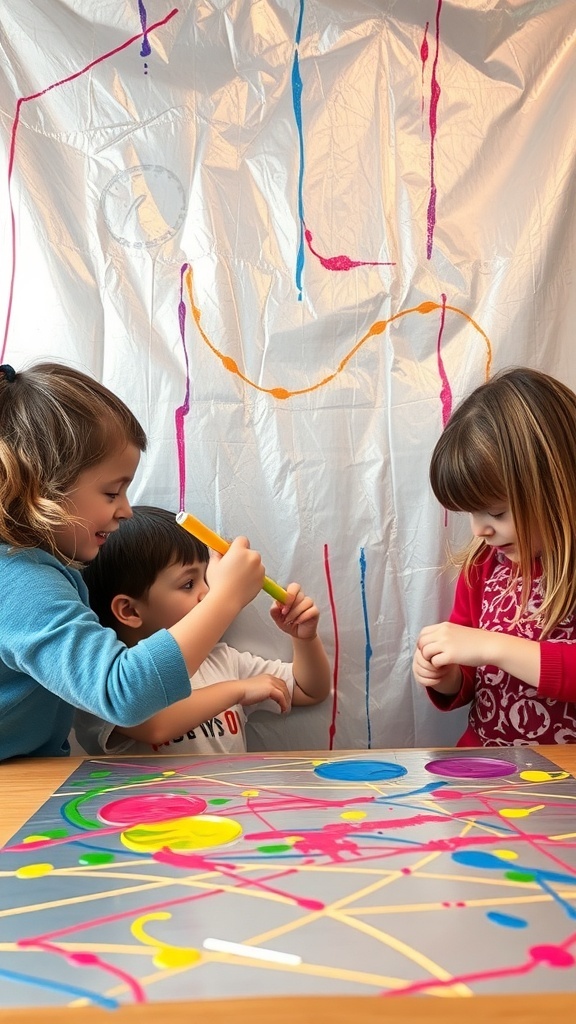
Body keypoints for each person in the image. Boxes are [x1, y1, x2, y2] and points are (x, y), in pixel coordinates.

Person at [0, 362, 266, 761]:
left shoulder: (32, 571)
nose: (126, 511)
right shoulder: (22, 583)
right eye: (112, 493)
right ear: (42, 489)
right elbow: (120, 692)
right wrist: (225, 598)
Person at [73, 506, 331, 755]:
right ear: (130, 611)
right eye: (188, 584)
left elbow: (308, 689)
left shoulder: (223, 661)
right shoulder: (104, 681)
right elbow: (155, 726)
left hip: (232, 799)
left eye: (205, 578)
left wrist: (304, 639)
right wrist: (238, 690)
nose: (207, 592)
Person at [413, 366, 576, 747]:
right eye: (470, 513)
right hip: (488, 769)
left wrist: (493, 646)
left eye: (497, 513)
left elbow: (489, 650)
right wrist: (450, 675)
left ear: (559, 485)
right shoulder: (482, 567)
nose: (479, 530)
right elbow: (472, 680)